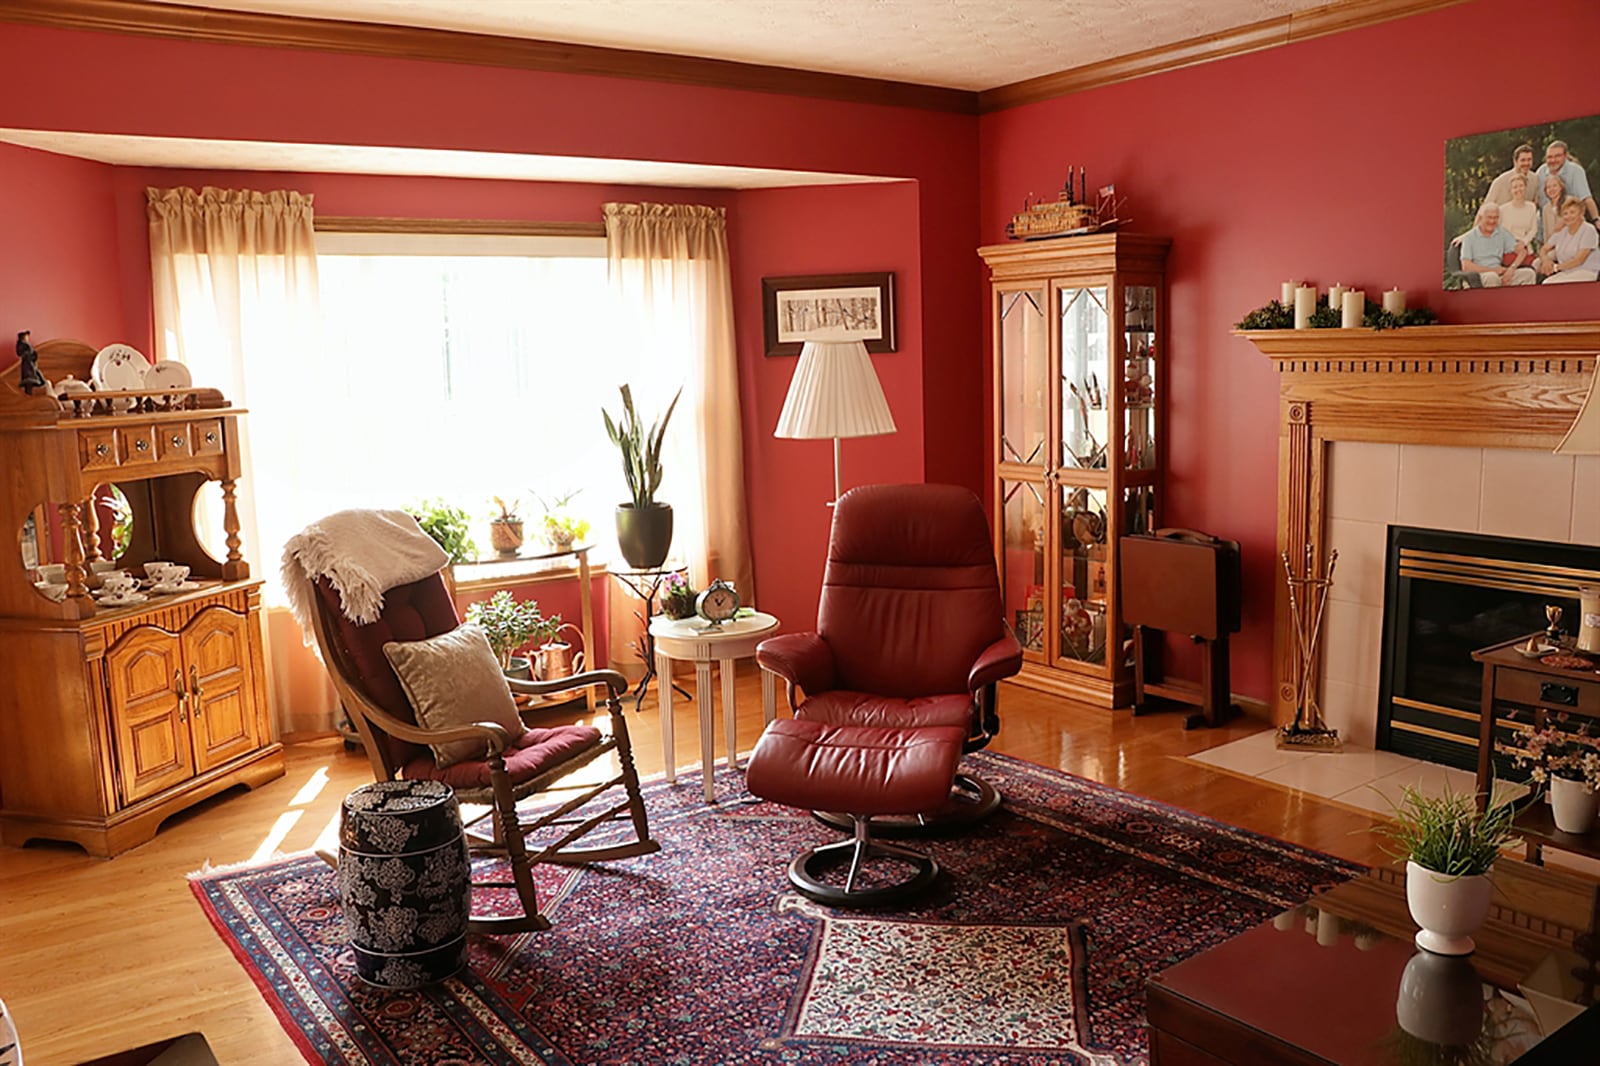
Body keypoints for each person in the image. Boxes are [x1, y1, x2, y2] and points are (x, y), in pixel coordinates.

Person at [1459, 202, 1535, 286]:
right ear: (1481, 218)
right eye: (1489, 217)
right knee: (1492, 277)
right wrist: (1493, 270)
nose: (1492, 221)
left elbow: (1522, 252)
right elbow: (1466, 266)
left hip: (1499, 274)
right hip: (1478, 276)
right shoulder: (1470, 237)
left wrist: (1511, 269)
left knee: (1528, 274)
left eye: (1495, 218)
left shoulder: (1501, 233)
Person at [1537, 195, 1600, 284]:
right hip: (1566, 272)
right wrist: (1546, 260)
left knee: (1550, 284)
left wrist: (1555, 267)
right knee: (1546, 283)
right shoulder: (1561, 231)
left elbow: (1579, 260)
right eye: (1565, 213)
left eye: (1572, 212)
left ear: (1581, 213)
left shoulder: (1588, 230)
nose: (1568, 216)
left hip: (1586, 271)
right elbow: (1544, 249)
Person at [1533, 140, 1599, 223]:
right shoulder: (1541, 171)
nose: (1553, 160)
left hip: (1570, 219)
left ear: (1565, 156)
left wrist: (1596, 219)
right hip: (1546, 219)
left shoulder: (1575, 171)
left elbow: (1586, 198)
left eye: (1557, 156)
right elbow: (1536, 200)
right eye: (1549, 157)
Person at [1497, 173, 1538, 254]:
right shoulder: (1503, 209)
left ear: (1525, 188)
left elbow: (1534, 229)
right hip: (1508, 249)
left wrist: (1524, 242)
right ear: (1511, 190)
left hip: (1525, 247)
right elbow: (1499, 232)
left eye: (1521, 186)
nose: (1518, 189)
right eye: (1515, 187)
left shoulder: (1531, 207)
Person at [1539, 173, 1568, 245]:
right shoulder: (1545, 209)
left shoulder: (1569, 202)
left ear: (1561, 187)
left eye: (1554, 186)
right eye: (1548, 187)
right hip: (1552, 246)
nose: (1551, 189)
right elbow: (1546, 233)